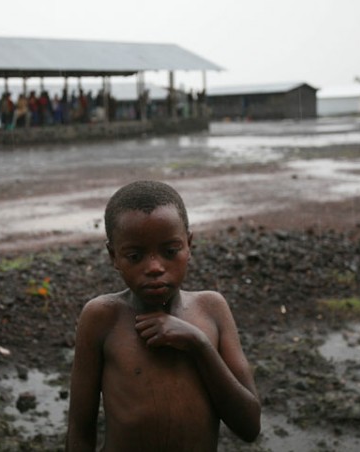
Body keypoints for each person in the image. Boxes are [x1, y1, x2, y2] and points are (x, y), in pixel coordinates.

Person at [66, 180, 261, 451]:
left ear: (189, 245)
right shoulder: (101, 318)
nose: (155, 267)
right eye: (135, 256)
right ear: (113, 256)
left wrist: (199, 345)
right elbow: (79, 431)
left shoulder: (212, 309)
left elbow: (250, 426)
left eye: (170, 252)